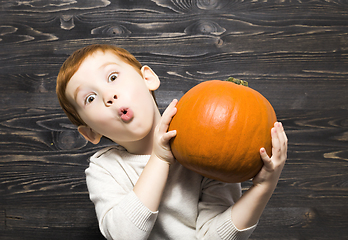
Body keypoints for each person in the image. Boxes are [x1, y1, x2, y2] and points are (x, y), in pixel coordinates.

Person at [56, 44, 288, 240]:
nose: (109, 96)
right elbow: (124, 235)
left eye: (113, 77)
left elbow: (213, 236)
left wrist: (262, 187)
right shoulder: (104, 169)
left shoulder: (206, 149)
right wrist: (159, 158)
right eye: (90, 98)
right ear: (90, 132)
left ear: (148, 78)